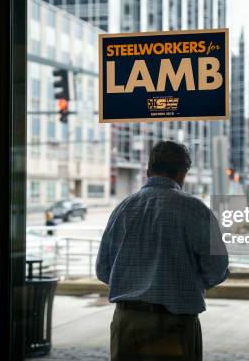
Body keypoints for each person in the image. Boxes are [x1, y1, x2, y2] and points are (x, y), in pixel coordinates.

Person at [96, 140, 229, 361]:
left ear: (148, 170)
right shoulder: (196, 210)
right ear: (183, 173)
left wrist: (134, 283)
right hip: (175, 325)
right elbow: (217, 270)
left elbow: (103, 270)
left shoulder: (123, 209)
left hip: (127, 322)